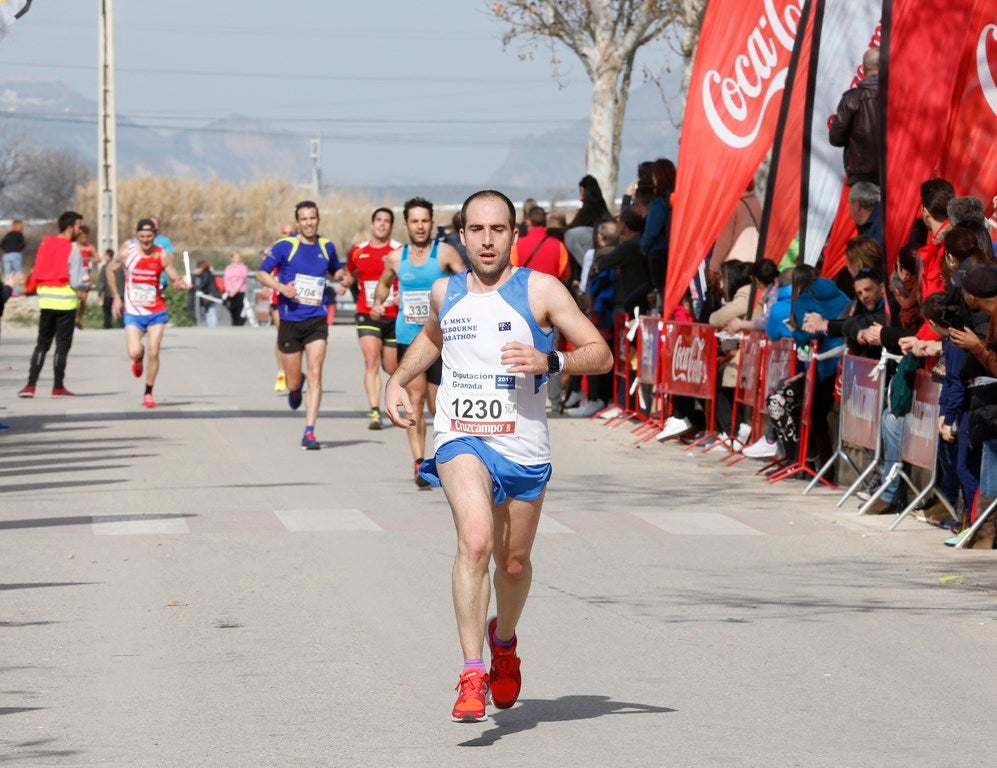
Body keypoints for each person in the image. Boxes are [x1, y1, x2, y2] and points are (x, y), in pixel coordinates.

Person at [383, 189, 613, 723]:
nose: (487, 240)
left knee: (513, 563)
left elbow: (598, 352)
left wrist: (548, 359)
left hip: (523, 444)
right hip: (461, 434)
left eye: (498, 230)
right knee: (476, 541)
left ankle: (503, 642)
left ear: (513, 235)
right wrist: (398, 378)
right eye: (477, 230)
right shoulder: (447, 290)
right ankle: (470, 672)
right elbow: (433, 338)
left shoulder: (541, 290)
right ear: (461, 236)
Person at [371, 197, 465, 484]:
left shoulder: (445, 253)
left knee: (438, 405)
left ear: (431, 223)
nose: (420, 226)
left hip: (440, 340)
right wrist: (378, 302)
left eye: (425, 220)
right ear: (407, 224)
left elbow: (467, 284)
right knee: (414, 399)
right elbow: (384, 283)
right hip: (409, 337)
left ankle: (443, 457)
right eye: (415, 221)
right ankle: (418, 462)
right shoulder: (397, 257)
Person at [255, 201, 352, 450]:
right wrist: (281, 288)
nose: (309, 223)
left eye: (313, 218)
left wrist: (343, 276)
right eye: (304, 219)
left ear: (318, 219)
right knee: (294, 381)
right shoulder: (286, 246)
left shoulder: (326, 245)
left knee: (317, 372)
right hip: (290, 320)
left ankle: (310, 431)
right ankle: (295, 387)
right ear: (298, 222)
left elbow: (334, 270)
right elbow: (261, 273)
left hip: (316, 320)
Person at [105, 219, 190, 407]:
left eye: (149, 237)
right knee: (135, 351)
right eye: (142, 237)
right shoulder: (128, 253)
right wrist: (116, 297)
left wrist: (180, 284)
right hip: (134, 311)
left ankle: (148, 393)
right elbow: (110, 269)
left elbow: (174, 278)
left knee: (154, 351)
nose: (145, 241)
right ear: (137, 235)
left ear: (155, 236)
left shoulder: (162, 255)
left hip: (156, 310)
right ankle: (138, 359)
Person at [17, 211, 86, 399]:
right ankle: (58, 387)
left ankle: (30, 386)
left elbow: (37, 268)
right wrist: (85, 286)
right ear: (71, 227)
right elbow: (77, 280)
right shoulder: (73, 250)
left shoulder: (45, 243)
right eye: (79, 227)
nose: (80, 231)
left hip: (46, 301)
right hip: (66, 303)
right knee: (62, 347)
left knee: (42, 344)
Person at [347, 207, 401, 429]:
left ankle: (397, 400)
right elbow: (350, 274)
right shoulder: (358, 251)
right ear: (372, 224)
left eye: (386, 221)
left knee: (392, 368)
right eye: (378, 220)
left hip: (393, 316)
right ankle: (374, 412)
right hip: (367, 313)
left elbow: (410, 277)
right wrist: (344, 281)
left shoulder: (399, 250)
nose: (382, 224)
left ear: (391, 225)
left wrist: (400, 296)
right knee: (371, 361)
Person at [829, 47, 881, 186]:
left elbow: (835, 138)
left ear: (863, 69)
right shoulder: (897, 96)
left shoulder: (851, 98)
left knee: (864, 208)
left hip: (861, 177)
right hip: (892, 174)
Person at [268, 222, 296, 392]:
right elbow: (267, 272)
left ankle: (294, 371)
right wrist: (265, 288)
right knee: (283, 335)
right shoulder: (277, 250)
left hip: (299, 300)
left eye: (291, 232)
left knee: (297, 339)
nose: (288, 236)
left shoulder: (303, 249)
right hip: (278, 299)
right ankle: (281, 373)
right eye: (284, 232)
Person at [73, 224, 95, 329]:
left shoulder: (90, 247)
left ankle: (80, 320)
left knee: (83, 299)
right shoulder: (74, 246)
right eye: (82, 237)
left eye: (85, 237)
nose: (84, 239)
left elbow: (98, 258)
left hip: (86, 275)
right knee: (76, 297)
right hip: (76, 274)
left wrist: (89, 260)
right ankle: (72, 317)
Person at [223, 250, 248, 326]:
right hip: (230, 292)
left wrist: (236, 290)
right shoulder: (228, 268)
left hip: (239, 291)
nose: (237, 259)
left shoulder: (243, 267)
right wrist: (230, 290)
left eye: (238, 257)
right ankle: (234, 324)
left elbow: (242, 279)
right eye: (235, 257)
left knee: (239, 309)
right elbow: (226, 279)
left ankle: (239, 324)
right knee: (231, 308)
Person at [1, 219, 26, 286]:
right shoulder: (19, 234)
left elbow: (2, 244)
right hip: (16, 254)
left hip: (6, 255)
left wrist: (6, 250)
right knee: (17, 274)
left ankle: (6, 291)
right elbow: (23, 244)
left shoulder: (8, 234)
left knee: (7, 274)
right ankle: (16, 293)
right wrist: (18, 250)